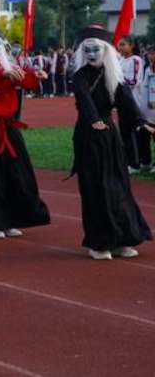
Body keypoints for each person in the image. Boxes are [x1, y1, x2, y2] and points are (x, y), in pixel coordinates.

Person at [70, 27, 153, 260]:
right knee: (96, 187)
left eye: (96, 49)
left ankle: (122, 238)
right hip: (88, 136)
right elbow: (84, 100)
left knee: (118, 185)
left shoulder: (113, 74)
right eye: (87, 50)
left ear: (105, 50)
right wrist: (94, 119)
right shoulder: (79, 76)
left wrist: (141, 121)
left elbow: (126, 101)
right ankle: (99, 242)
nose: (92, 54)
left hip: (109, 136)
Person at [0, 26, 51, 238]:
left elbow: (25, 78)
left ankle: (10, 218)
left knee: (15, 172)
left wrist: (37, 75)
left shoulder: (10, 67)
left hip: (10, 127)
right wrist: (2, 73)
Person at [118, 35, 144, 172]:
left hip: (132, 101)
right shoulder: (121, 60)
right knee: (125, 133)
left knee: (131, 133)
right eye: (119, 44)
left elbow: (134, 81)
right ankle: (130, 161)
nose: (120, 46)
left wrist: (117, 80)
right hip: (122, 102)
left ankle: (135, 164)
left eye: (123, 44)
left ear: (131, 46)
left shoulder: (135, 60)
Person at [136, 46, 155, 172]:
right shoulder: (147, 69)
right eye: (149, 53)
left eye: (153, 53)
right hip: (145, 111)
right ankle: (146, 161)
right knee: (143, 137)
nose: (150, 56)